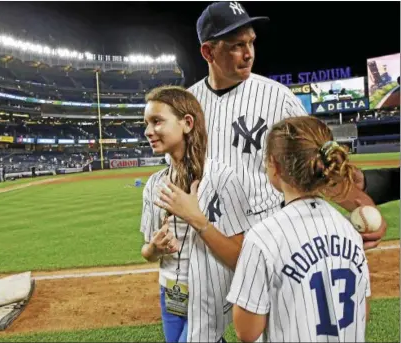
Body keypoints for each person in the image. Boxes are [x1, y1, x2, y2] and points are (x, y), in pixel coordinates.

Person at [187, 1, 384, 248]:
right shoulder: (185, 105)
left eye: (251, 42)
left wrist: (360, 204)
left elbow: (316, 163)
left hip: (269, 240)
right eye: (237, 45)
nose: (249, 53)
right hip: (206, 240)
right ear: (208, 52)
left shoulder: (278, 98)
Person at [227, 116, 371, 342]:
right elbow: (363, 311)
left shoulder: (263, 236)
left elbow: (247, 331)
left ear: (276, 167)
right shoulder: (349, 230)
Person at [140, 86, 255, 343]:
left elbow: (239, 257)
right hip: (170, 292)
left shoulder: (222, 178)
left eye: (157, 121)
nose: (148, 131)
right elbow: (146, 252)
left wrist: (197, 219)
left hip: (210, 293)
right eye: (146, 123)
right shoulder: (154, 185)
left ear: (187, 123)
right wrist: (155, 248)